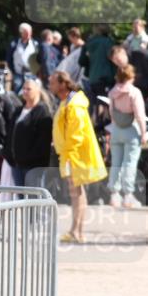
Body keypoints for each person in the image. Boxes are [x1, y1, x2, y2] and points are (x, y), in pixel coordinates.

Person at [49, 71, 106, 243]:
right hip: (70, 154)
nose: (50, 85)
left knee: (77, 194)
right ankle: (76, 231)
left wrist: (69, 155)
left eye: (53, 82)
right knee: (77, 194)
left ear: (62, 84)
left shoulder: (74, 104)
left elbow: (76, 134)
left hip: (75, 156)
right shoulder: (67, 101)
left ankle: (77, 232)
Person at [105, 63, 148, 208]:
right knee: (130, 163)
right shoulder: (134, 92)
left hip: (116, 130)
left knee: (116, 163)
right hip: (131, 130)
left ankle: (114, 195)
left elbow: (111, 112)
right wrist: (143, 133)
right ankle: (128, 195)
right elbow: (140, 115)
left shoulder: (113, 92)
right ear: (131, 76)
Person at [6, 78, 53, 187]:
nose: (25, 91)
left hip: (33, 167)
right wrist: (8, 154)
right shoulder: (18, 110)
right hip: (16, 165)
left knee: (33, 195)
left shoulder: (42, 112)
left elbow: (43, 142)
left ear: (38, 90)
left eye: (29, 89)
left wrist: (29, 158)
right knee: (21, 195)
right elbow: (10, 133)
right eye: (24, 88)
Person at [110, 44, 148, 127]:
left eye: (118, 60)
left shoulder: (140, 53)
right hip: (142, 86)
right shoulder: (122, 68)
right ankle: (140, 130)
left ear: (123, 52)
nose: (118, 63)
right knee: (134, 107)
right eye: (115, 62)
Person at [79, 25, 116, 120]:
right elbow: (113, 59)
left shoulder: (88, 43)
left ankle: (98, 124)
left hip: (93, 78)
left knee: (97, 103)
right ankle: (105, 124)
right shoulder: (108, 42)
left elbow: (81, 61)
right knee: (106, 103)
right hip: (106, 77)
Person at [5, 23, 35, 93]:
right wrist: (13, 71)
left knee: (31, 92)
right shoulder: (14, 43)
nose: (28, 34)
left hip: (31, 74)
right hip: (18, 74)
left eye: (30, 32)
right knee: (18, 93)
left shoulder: (35, 43)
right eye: (26, 32)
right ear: (21, 33)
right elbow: (9, 59)